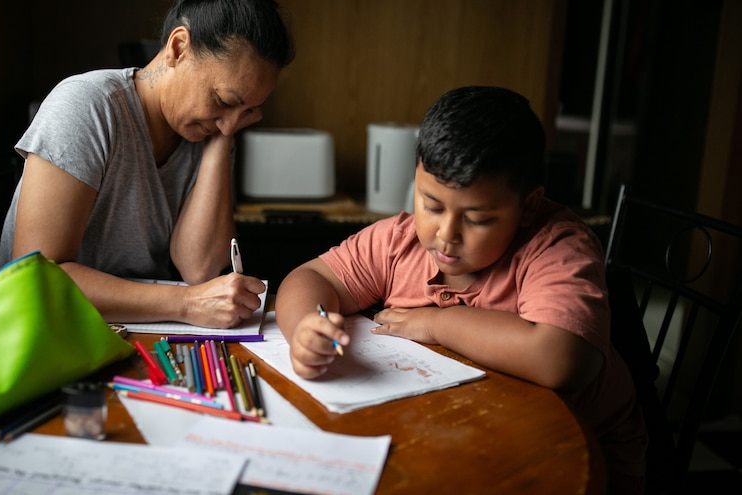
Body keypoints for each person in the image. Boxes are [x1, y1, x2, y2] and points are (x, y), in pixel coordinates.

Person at [276, 86, 647, 494]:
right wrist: (307, 326)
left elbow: (561, 358)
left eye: (478, 218)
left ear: (528, 206)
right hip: (461, 430)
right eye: (431, 205)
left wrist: (437, 324)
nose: (446, 235)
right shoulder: (400, 241)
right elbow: (313, 278)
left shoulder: (556, 246)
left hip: (578, 459)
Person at [0, 0, 294, 327]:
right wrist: (186, 304)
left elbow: (200, 267)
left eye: (248, 111)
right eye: (223, 100)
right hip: (45, 334)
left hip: (128, 334)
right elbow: (37, 277)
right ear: (178, 47)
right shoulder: (87, 106)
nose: (229, 121)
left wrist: (221, 141)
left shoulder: (210, 130)